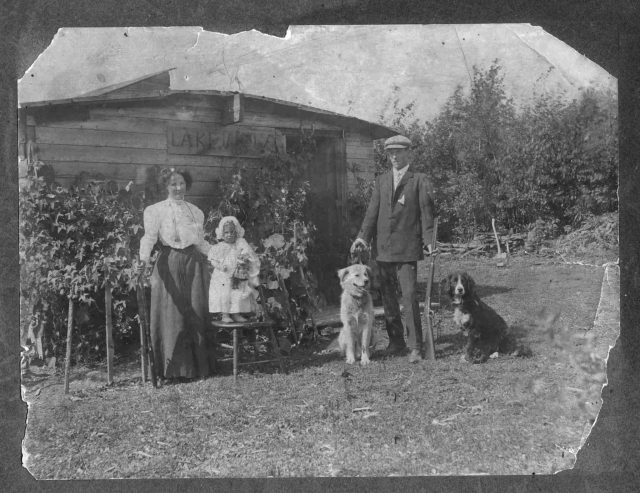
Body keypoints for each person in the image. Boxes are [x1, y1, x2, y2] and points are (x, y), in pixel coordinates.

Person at [351, 135, 435, 363]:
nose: (395, 157)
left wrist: (430, 242)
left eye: (399, 152)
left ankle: (415, 346)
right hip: (383, 249)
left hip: (407, 249)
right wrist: (362, 238)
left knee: (408, 297)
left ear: (409, 153)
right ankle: (396, 341)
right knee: (388, 297)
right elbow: (372, 212)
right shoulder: (382, 180)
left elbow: (427, 215)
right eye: (391, 153)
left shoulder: (419, 180)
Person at [137, 167, 213, 382]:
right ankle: (172, 369)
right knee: (170, 314)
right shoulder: (154, 211)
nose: (178, 188)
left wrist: (221, 257)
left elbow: (200, 243)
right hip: (167, 262)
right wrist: (143, 260)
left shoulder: (195, 212)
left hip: (193, 264)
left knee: (196, 310)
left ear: (187, 185)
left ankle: (198, 367)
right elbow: (149, 238)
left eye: (181, 183)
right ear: (166, 186)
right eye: (173, 184)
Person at [208, 216, 260, 323]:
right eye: (226, 232)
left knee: (237, 294)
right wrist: (220, 267)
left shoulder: (239, 244)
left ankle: (236, 314)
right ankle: (225, 315)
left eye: (232, 231)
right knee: (225, 294)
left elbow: (247, 253)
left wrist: (244, 259)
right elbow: (213, 260)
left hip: (237, 275)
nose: (230, 234)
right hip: (223, 277)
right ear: (222, 234)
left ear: (236, 232)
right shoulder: (219, 247)